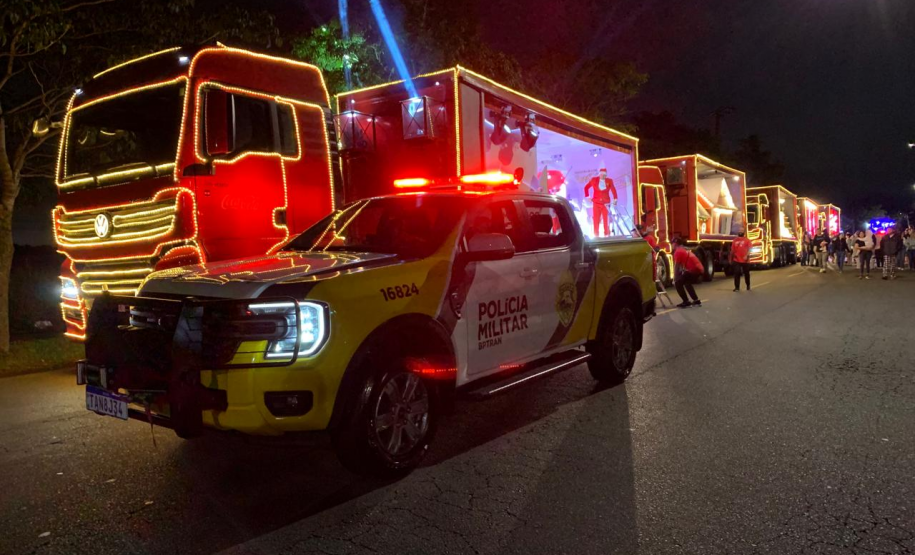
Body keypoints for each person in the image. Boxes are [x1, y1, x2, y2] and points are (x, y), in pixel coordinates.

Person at [672, 237, 703, 308]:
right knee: (687, 282)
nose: (671, 245)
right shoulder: (684, 249)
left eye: (672, 244)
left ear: (675, 244)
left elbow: (676, 267)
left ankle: (686, 301)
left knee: (678, 283)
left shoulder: (678, 252)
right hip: (699, 269)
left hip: (693, 269)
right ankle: (696, 300)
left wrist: (675, 278)